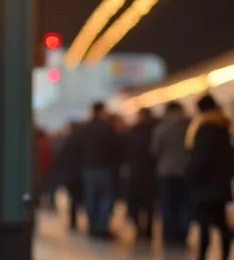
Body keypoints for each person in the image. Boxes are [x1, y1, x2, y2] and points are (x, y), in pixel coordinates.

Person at [182, 94, 234, 260]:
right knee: (222, 226)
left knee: (204, 226)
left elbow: (200, 160)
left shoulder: (204, 129)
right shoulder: (225, 128)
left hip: (205, 187)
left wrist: (190, 176)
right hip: (221, 187)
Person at [75, 102, 122, 238]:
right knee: (105, 198)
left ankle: (92, 226)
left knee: (91, 198)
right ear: (102, 111)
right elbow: (115, 148)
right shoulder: (107, 128)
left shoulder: (85, 128)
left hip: (88, 168)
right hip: (105, 168)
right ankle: (101, 227)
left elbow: (78, 149)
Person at [151, 102, 192, 245]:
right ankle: (182, 235)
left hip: (166, 172)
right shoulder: (189, 126)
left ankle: (169, 236)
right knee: (184, 205)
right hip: (185, 172)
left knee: (167, 205)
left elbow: (155, 150)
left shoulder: (161, 128)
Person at [124, 108, 158, 238]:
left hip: (135, 171)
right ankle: (149, 229)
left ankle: (138, 227)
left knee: (134, 202)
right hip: (150, 172)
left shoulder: (133, 131)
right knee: (149, 203)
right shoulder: (155, 130)